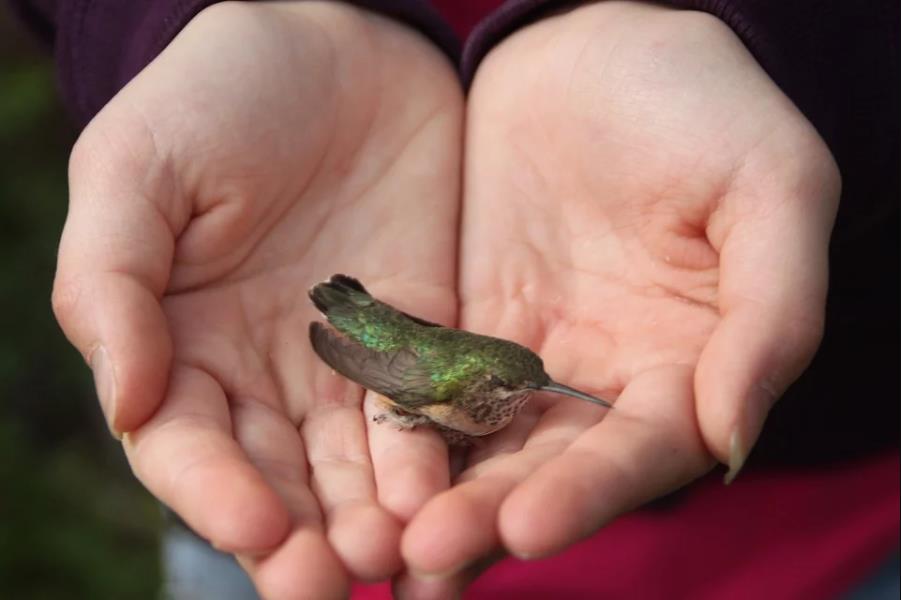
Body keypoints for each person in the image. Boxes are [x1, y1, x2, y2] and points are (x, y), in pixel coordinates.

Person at [10, 0, 897, 597]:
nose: (528, 400)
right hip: (265, 519)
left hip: (828, 524)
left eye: (526, 388)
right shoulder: (443, 391)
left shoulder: (489, 381)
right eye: (514, 394)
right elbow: (389, 367)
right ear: (477, 394)